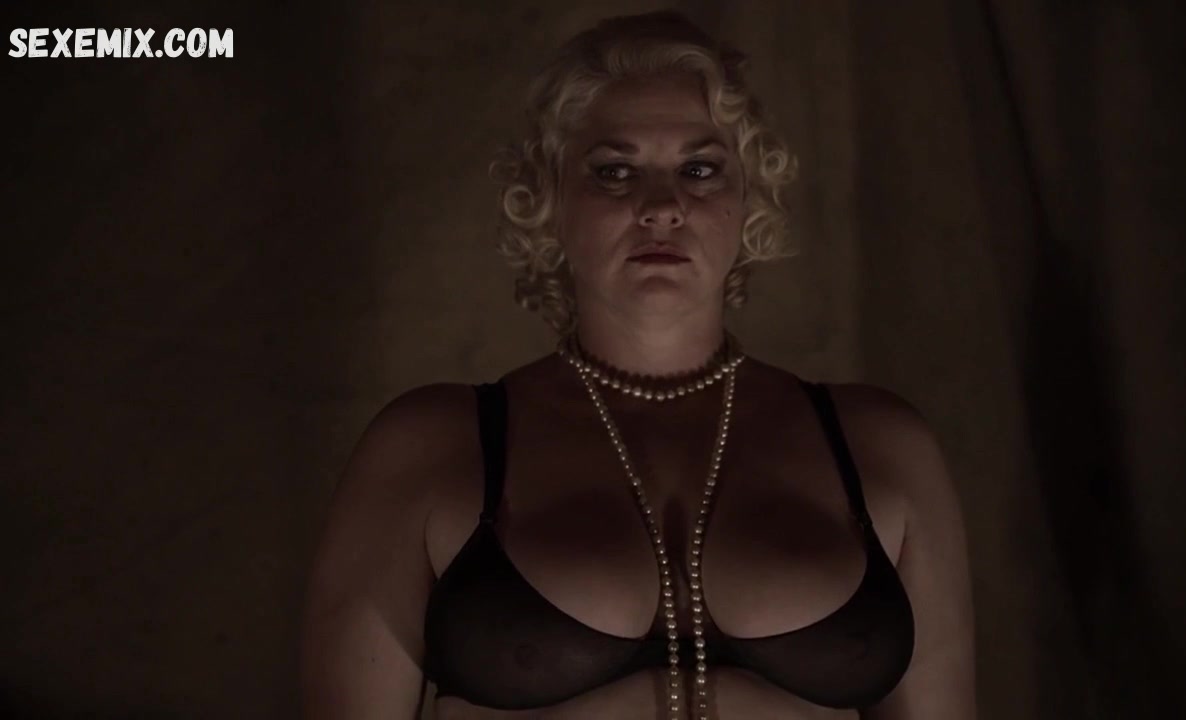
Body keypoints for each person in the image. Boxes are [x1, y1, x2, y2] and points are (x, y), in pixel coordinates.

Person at [300, 10, 975, 720]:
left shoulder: (879, 445)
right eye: (615, 172)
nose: (661, 207)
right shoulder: (431, 446)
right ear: (550, 201)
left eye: (699, 169)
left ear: (747, 197)